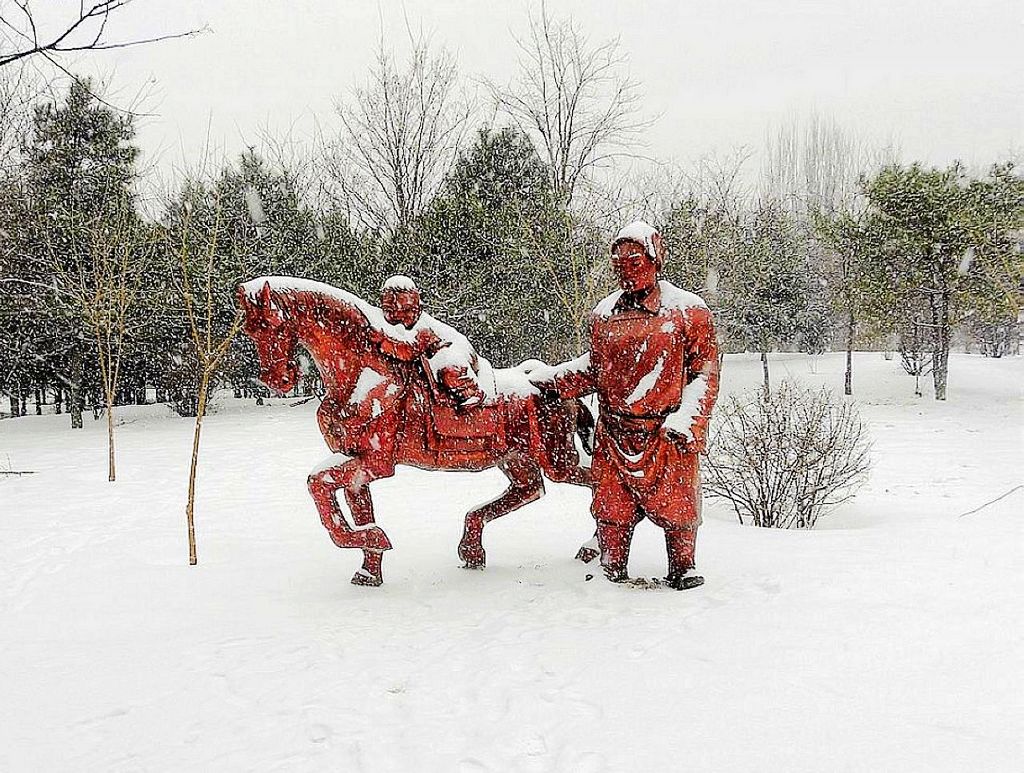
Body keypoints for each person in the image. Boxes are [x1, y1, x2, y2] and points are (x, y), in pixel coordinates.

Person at [529, 221, 719, 590]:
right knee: (612, 511)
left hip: (666, 434)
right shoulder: (604, 314)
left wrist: (689, 420)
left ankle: (682, 567)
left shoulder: (688, 311)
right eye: (619, 265)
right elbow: (595, 367)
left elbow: (705, 371)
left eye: (635, 262)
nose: (627, 271)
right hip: (615, 432)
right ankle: (612, 568)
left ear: (655, 259)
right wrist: (551, 380)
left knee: (679, 510)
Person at [376, 275, 487, 409]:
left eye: (406, 310)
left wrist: (381, 342)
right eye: (389, 310)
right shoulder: (393, 326)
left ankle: (472, 393)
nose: (397, 316)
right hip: (434, 352)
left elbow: (408, 351)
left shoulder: (423, 329)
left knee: (450, 369)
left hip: (456, 349)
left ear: (418, 308)